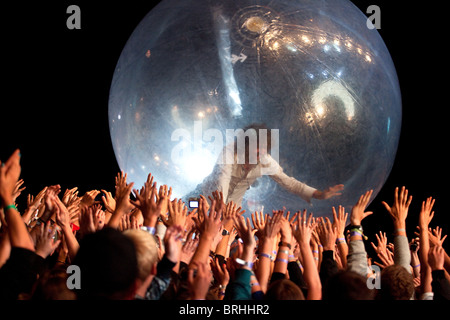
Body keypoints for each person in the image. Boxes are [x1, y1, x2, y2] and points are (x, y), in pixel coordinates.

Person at [187, 123, 343, 208]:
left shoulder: (265, 160)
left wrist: (319, 194)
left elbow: (288, 182)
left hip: (231, 210)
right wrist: (219, 206)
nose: (261, 152)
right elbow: (223, 176)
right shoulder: (229, 151)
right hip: (205, 198)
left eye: (264, 148)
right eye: (257, 146)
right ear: (244, 145)